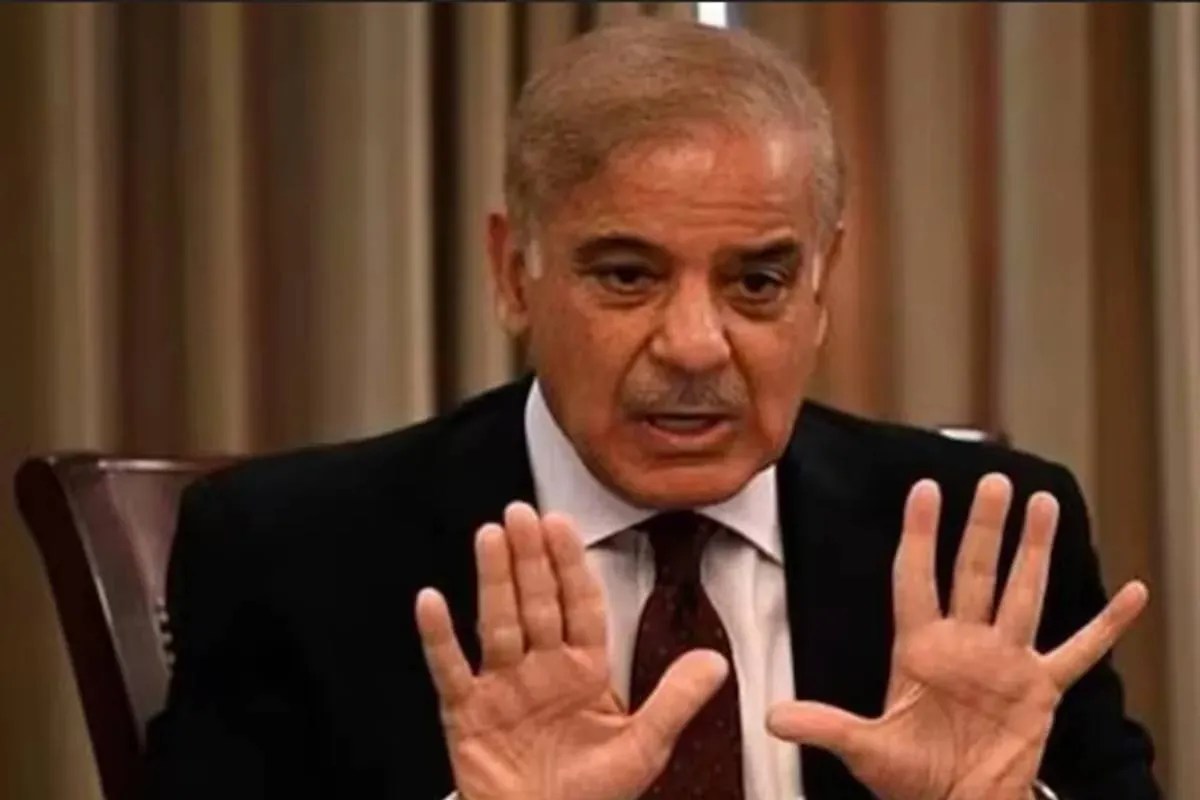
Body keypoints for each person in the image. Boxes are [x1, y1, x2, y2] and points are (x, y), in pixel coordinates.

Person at [143, 19, 1159, 800]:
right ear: (513, 273)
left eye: (757, 281)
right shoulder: (295, 551)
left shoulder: (989, 546)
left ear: (823, 282)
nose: (694, 344)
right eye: (627, 275)